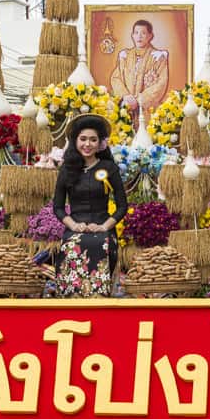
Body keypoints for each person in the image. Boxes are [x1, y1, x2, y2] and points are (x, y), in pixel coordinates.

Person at [52, 114, 128, 297]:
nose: (88, 144)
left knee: (99, 242)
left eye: (93, 140)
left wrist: (103, 226)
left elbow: (122, 206)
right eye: (83, 139)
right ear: (75, 141)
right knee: (71, 243)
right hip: (74, 230)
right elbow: (58, 207)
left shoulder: (109, 168)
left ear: (100, 143)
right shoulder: (66, 169)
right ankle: (71, 298)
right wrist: (74, 226)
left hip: (103, 229)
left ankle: (99, 299)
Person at [109, 20, 169, 126]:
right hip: (126, 107)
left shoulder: (158, 57)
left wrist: (139, 100)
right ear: (132, 35)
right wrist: (126, 96)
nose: (139, 36)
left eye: (143, 33)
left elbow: (161, 84)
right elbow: (116, 78)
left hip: (147, 110)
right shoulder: (125, 56)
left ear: (150, 36)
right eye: (136, 33)